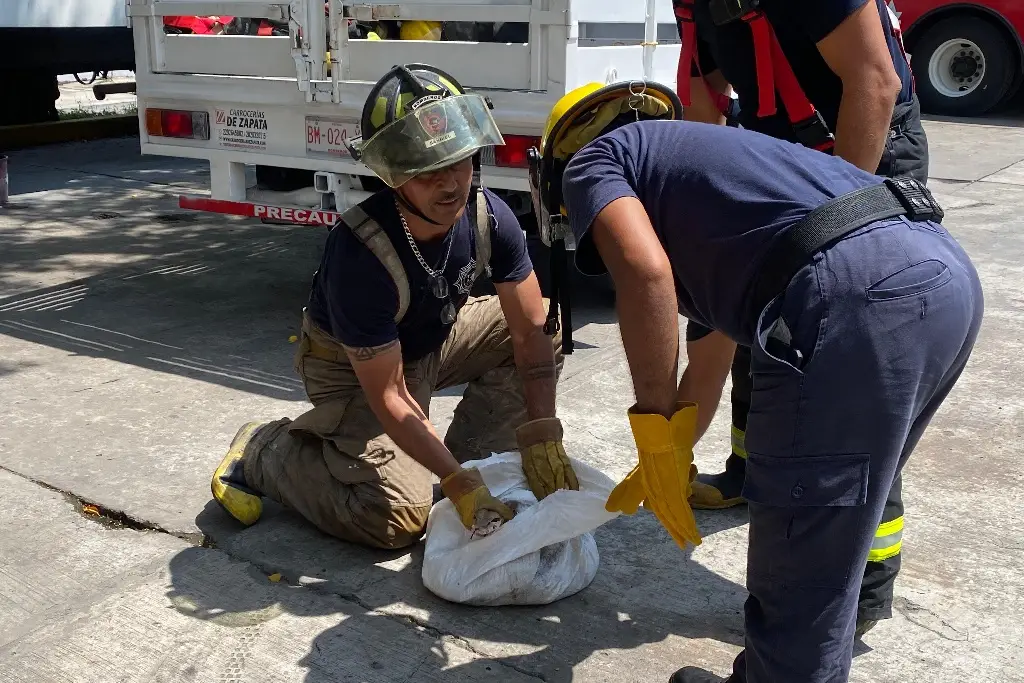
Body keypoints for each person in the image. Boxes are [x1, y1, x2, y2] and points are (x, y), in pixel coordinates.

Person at [529, 80, 983, 683]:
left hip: (853, 293)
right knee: (835, 525)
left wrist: (655, 432)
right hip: (944, 278)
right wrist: (676, 446)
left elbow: (644, 273)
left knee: (802, 547)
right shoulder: (709, 184)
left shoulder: (594, 162)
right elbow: (709, 363)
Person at [210, 63, 579, 549]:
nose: (450, 184)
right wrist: (458, 484)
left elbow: (531, 331)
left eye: (458, 160)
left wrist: (542, 432)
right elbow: (390, 395)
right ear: (394, 175)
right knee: (396, 518)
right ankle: (265, 451)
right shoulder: (360, 255)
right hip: (352, 372)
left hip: (431, 341)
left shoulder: (490, 216)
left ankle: (472, 458)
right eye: (426, 170)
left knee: (545, 323)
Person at [672, 0, 930, 636]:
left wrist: (832, 226)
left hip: (866, 147)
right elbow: (705, 101)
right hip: (781, 151)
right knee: (757, 323)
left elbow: (874, 82)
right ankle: (746, 469)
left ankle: (861, 587)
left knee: (849, 374)